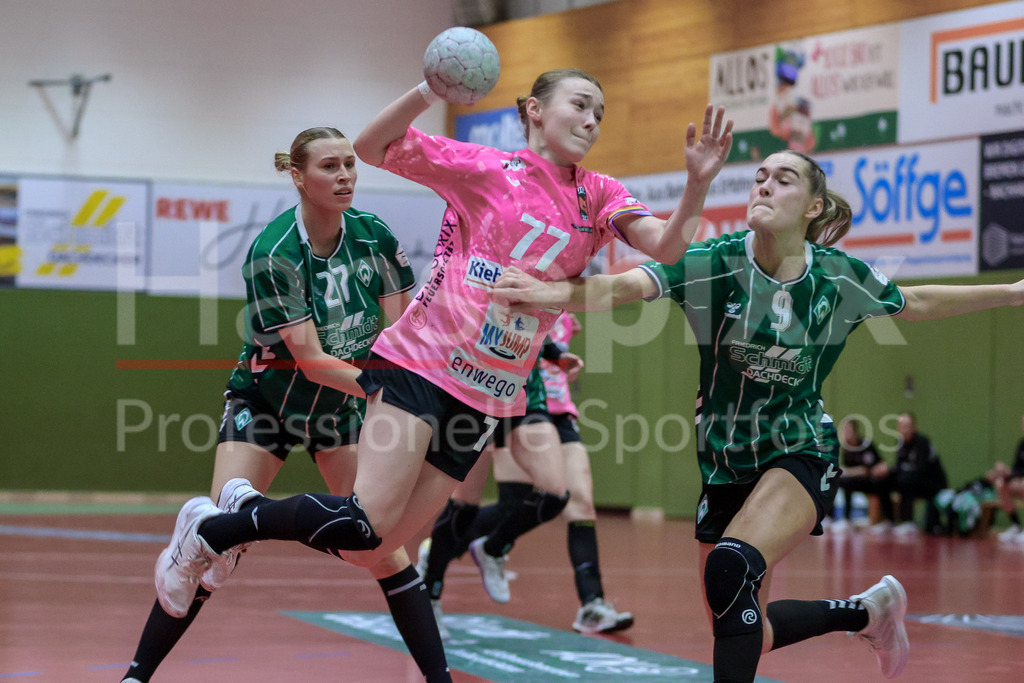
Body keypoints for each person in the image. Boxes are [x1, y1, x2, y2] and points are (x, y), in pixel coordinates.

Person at [150, 67, 734, 661]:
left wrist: (697, 183)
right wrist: (430, 92)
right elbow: (372, 146)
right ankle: (222, 525)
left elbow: (665, 248)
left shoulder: (600, 193)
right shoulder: (483, 169)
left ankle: (221, 524)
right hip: (420, 365)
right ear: (534, 110)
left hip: (489, 393)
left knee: (366, 546)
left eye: (599, 113)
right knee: (367, 520)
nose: (591, 120)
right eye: (581, 105)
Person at [492, 149, 1024, 681]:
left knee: (730, 566)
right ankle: (869, 612)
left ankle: (866, 609)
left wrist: (1013, 292)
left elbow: (919, 301)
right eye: (760, 177)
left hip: (799, 450)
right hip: (724, 464)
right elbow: (622, 286)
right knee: (742, 626)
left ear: (814, 206)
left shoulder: (838, 278)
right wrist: (551, 292)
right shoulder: (714, 262)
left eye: (783, 179)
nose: (764, 186)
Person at [122, 127, 454, 683]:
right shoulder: (274, 252)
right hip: (270, 401)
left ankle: (439, 680)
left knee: (379, 546)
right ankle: (136, 675)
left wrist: (410, 385)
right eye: (330, 166)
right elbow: (311, 360)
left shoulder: (374, 235)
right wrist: (388, 393)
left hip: (339, 410)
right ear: (298, 176)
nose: (345, 175)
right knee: (219, 546)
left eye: (350, 164)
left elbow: (399, 332)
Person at [419, 314, 634, 635]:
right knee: (466, 504)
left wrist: (554, 353)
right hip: (475, 390)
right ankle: (431, 590)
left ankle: (493, 549)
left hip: (525, 393)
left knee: (556, 494)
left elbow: (535, 324)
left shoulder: (553, 295)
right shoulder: (482, 278)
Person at [830, 417, 894, 533]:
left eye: (848, 430)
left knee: (882, 485)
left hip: (874, 481)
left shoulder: (865, 445)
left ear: (855, 431)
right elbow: (847, 468)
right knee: (841, 482)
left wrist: (850, 471)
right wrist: (851, 471)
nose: (845, 433)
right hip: (858, 481)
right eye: (844, 430)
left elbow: (866, 470)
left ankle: (887, 521)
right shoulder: (847, 448)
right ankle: (843, 519)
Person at [890, 412, 948, 536]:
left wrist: (902, 473)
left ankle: (908, 521)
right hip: (913, 482)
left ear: (914, 426)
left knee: (905, 480)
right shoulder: (900, 443)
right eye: (901, 426)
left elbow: (920, 470)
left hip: (932, 483)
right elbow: (899, 467)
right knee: (887, 480)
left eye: (907, 425)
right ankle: (890, 521)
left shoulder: (922, 442)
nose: (904, 429)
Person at [986, 414, 1024, 541]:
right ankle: (1016, 526)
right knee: (1000, 484)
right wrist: (1002, 472)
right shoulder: (1021, 445)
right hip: (1019, 480)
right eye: (1022, 423)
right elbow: (1016, 469)